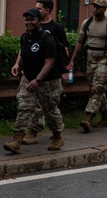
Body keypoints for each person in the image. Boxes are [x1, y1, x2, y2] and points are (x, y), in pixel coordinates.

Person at [4, 8, 65, 153]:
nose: (28, 22)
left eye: (32, 19)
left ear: (39, 21)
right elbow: (24, 53)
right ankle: (17, 140)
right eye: (26, 19)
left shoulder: (47, 38)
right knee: (23, 106)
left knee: (50, 110)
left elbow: (49, 63)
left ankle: (58, 137)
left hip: (48, 80)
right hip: (28, 78)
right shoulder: (25, 37)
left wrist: (38, 80)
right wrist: (18, 65)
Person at [69, 0, 107, 132]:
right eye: (94, 6)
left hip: (105, 59)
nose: (96, 9)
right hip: (90, 59)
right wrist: (72, 59)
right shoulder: (87, 23)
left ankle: (88, 118)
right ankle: (106, 118)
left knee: (97, 88)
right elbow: (80, 42)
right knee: (95, 88)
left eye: (99, 7)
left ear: (104, 9)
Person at [24, 0, 70, 144]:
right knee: (35, 105)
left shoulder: (56, 28)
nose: (36, 10)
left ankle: (57, 132)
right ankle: (34, 132)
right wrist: (18, 63)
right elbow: (24, 47)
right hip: (34, 73)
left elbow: (64, 50)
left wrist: (65, 70)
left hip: (51, 74)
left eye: (39, 8)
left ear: (48, 10)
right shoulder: (32, 27)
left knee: (50, 106)